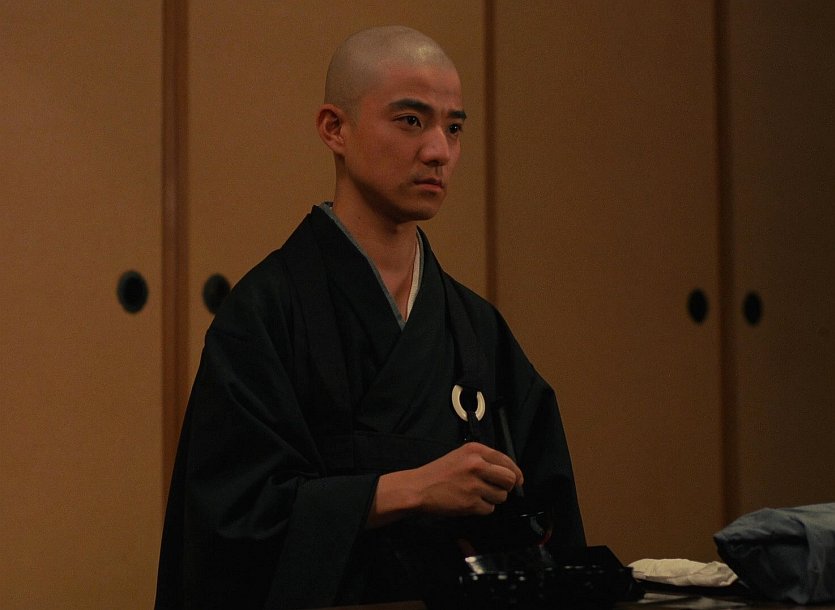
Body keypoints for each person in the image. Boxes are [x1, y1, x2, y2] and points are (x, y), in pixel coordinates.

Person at [155, 25, 584, 609]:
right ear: (335, 128)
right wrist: (405, 490)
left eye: (454, 128)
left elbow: (549, 526)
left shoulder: (475, 328)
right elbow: (228, 526)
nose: (439, 151)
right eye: (411, 121)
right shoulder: (263, 314)